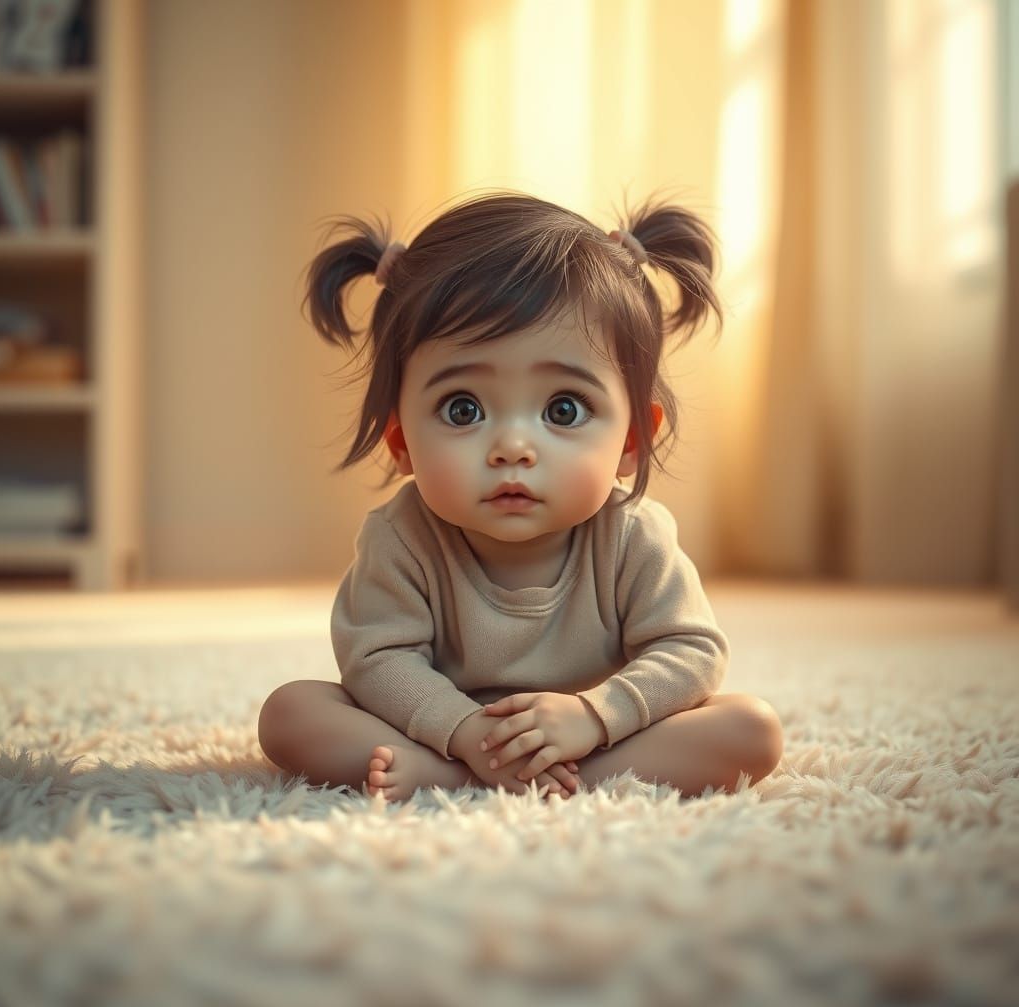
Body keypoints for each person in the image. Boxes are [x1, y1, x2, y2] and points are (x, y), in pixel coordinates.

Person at [257, 191, 783, 803]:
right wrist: (464, 732)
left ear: (633, 439)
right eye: (464, 409)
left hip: (593, 737)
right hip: (441, 733)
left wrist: (593, 716)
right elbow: (377, 659)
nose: (511, 446)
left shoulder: (634, 534)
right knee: (291, 712)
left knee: (751, 729)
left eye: (563, 409)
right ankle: (475, 772)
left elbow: (690, 649)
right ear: (401, 442)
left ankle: (538, 781)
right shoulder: (400, 536)